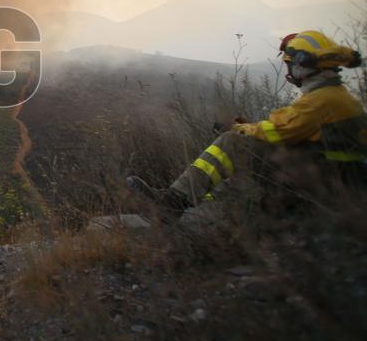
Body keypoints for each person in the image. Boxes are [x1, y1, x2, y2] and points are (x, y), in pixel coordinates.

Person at [128, 30, 366, 214]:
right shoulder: (336, 97)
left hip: (327, 184)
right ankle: (202, 200)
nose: (290, 70)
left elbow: (278, 132)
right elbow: (293, 131)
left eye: (291, 64)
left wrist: (241, 129)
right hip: (337, 178)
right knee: (249, 152)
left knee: (233, 143)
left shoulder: (321, 101)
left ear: (303, 66)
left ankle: (174, 202)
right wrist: (253, 128)